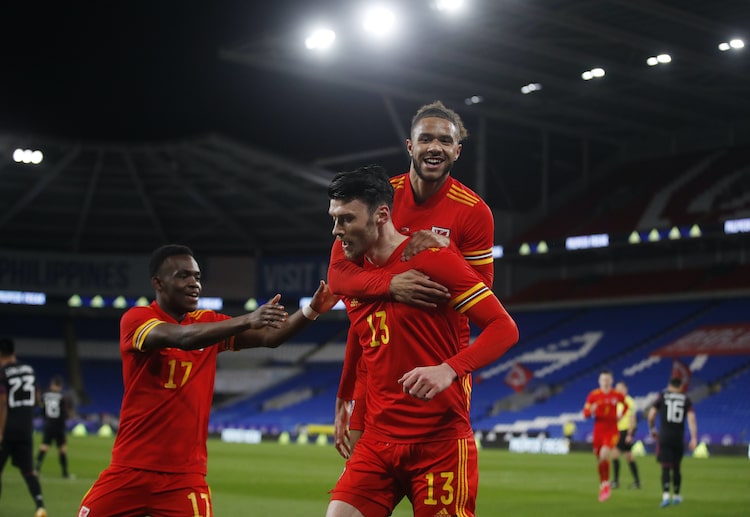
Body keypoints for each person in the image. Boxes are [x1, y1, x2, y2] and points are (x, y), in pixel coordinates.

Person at [78, 244, 339, 517]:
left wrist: (312, 309)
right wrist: (248, 319)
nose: (194, 284)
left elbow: (269, 337)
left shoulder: (208, 321)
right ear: (158, 283)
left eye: (197, 277)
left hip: (184, 478)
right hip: (129, 469)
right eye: (183, 276)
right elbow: (183, 338)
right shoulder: (138, 319)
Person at [325, 165, 518, 517]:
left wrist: (450, 369)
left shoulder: (435, 262)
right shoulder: (350, 273)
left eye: (346, 220)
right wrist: (350, 408)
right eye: (334, 219)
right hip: (378, 442)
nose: (337, 232)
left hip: (439, 442)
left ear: (382, 215)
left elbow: (504, 328)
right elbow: (364, 343)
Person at [329, 100, 495, 458]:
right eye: (426, 139)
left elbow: (483, 294)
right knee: (360, 474)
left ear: (457, 151)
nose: (435, 147)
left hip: (438, 355)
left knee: (431, 467)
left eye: (444, 141)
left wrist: (446, 250)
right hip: (374, 356)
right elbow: (338, 274)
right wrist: (390, 286)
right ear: (410, 146)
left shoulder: (474, 212)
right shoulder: (378, 197)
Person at [0, 337, 47, 517]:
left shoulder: (3, 372)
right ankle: (40, 505)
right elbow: (36, 398)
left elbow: (3, 402)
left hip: (8, 427)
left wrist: (0, 432)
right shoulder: (29, 370)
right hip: (26, 428)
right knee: (28, 471)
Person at [582, 369, 632, 503]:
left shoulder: (617, 395)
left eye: (607, 379)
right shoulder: (593, 395)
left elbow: (626, 406)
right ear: (599, 381)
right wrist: (590, 411)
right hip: (598, 429)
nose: (605, 382)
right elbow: (585, 413)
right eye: (603, 379)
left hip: (611, 430)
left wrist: (621, 415)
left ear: (611, 381)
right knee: (599, 459)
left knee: (604, 454)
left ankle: (606, 485)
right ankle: (603, 483)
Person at [647, 377, 698, 508]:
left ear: (669, 386)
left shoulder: (662, 396)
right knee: (676, 467)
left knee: (665, 466)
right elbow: (691, 418)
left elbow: (651, 414)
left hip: (664, 436)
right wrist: (694, 438)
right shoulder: (686, 399)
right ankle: (676, 496)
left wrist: (652, 429)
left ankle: (665, 497)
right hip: (678, 437)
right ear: (680, 387)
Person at [35, 375, 73, 478]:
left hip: (48, 424)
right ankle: (65, 473)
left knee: (44, 446)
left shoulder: (45, 395)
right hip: (59, 425)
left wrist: (45, 420)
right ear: (60, 386)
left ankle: (36, 469)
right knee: (62, 448)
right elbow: (65, 412)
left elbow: (42, 410)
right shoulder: (62, 397)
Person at [611, 380, 641, 489]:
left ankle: (616, 481)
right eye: (616, 388)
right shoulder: (616, 401)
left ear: (625, 389)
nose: (617, 390)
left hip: (625, 430)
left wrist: (630, 434)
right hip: (618, 430)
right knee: (627, 455)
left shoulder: (629, 401)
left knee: (618, 454)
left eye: (619, 388)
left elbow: (632, 418)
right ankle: (636, 482)